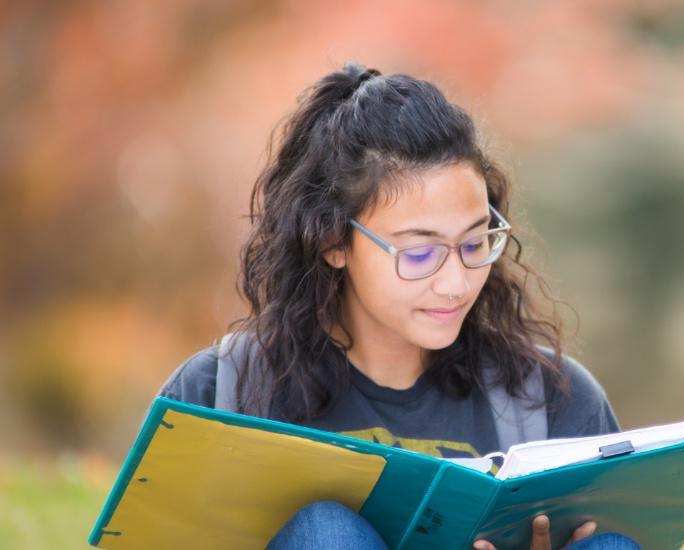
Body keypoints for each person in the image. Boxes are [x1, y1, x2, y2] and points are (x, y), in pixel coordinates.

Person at [158, 63, 640, 550]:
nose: (456, 283)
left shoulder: (551, 398)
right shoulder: (222, 390)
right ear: (332, 240)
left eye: (475, 243)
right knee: (326, 533)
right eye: (420, 252)